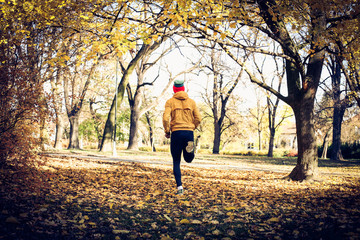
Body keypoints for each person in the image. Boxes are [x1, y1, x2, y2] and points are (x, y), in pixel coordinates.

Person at [163, 79, 201, 195]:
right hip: (188, 132)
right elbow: (198, 118)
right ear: (183, 89)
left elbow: (165, 118)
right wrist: (192, 127)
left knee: (176, 161)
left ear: (174, 89)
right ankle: (190, 151)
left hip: (176, 133)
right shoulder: (192, 102)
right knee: (188, 159)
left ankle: (180, 188)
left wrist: (167, 131)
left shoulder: (170, 102)